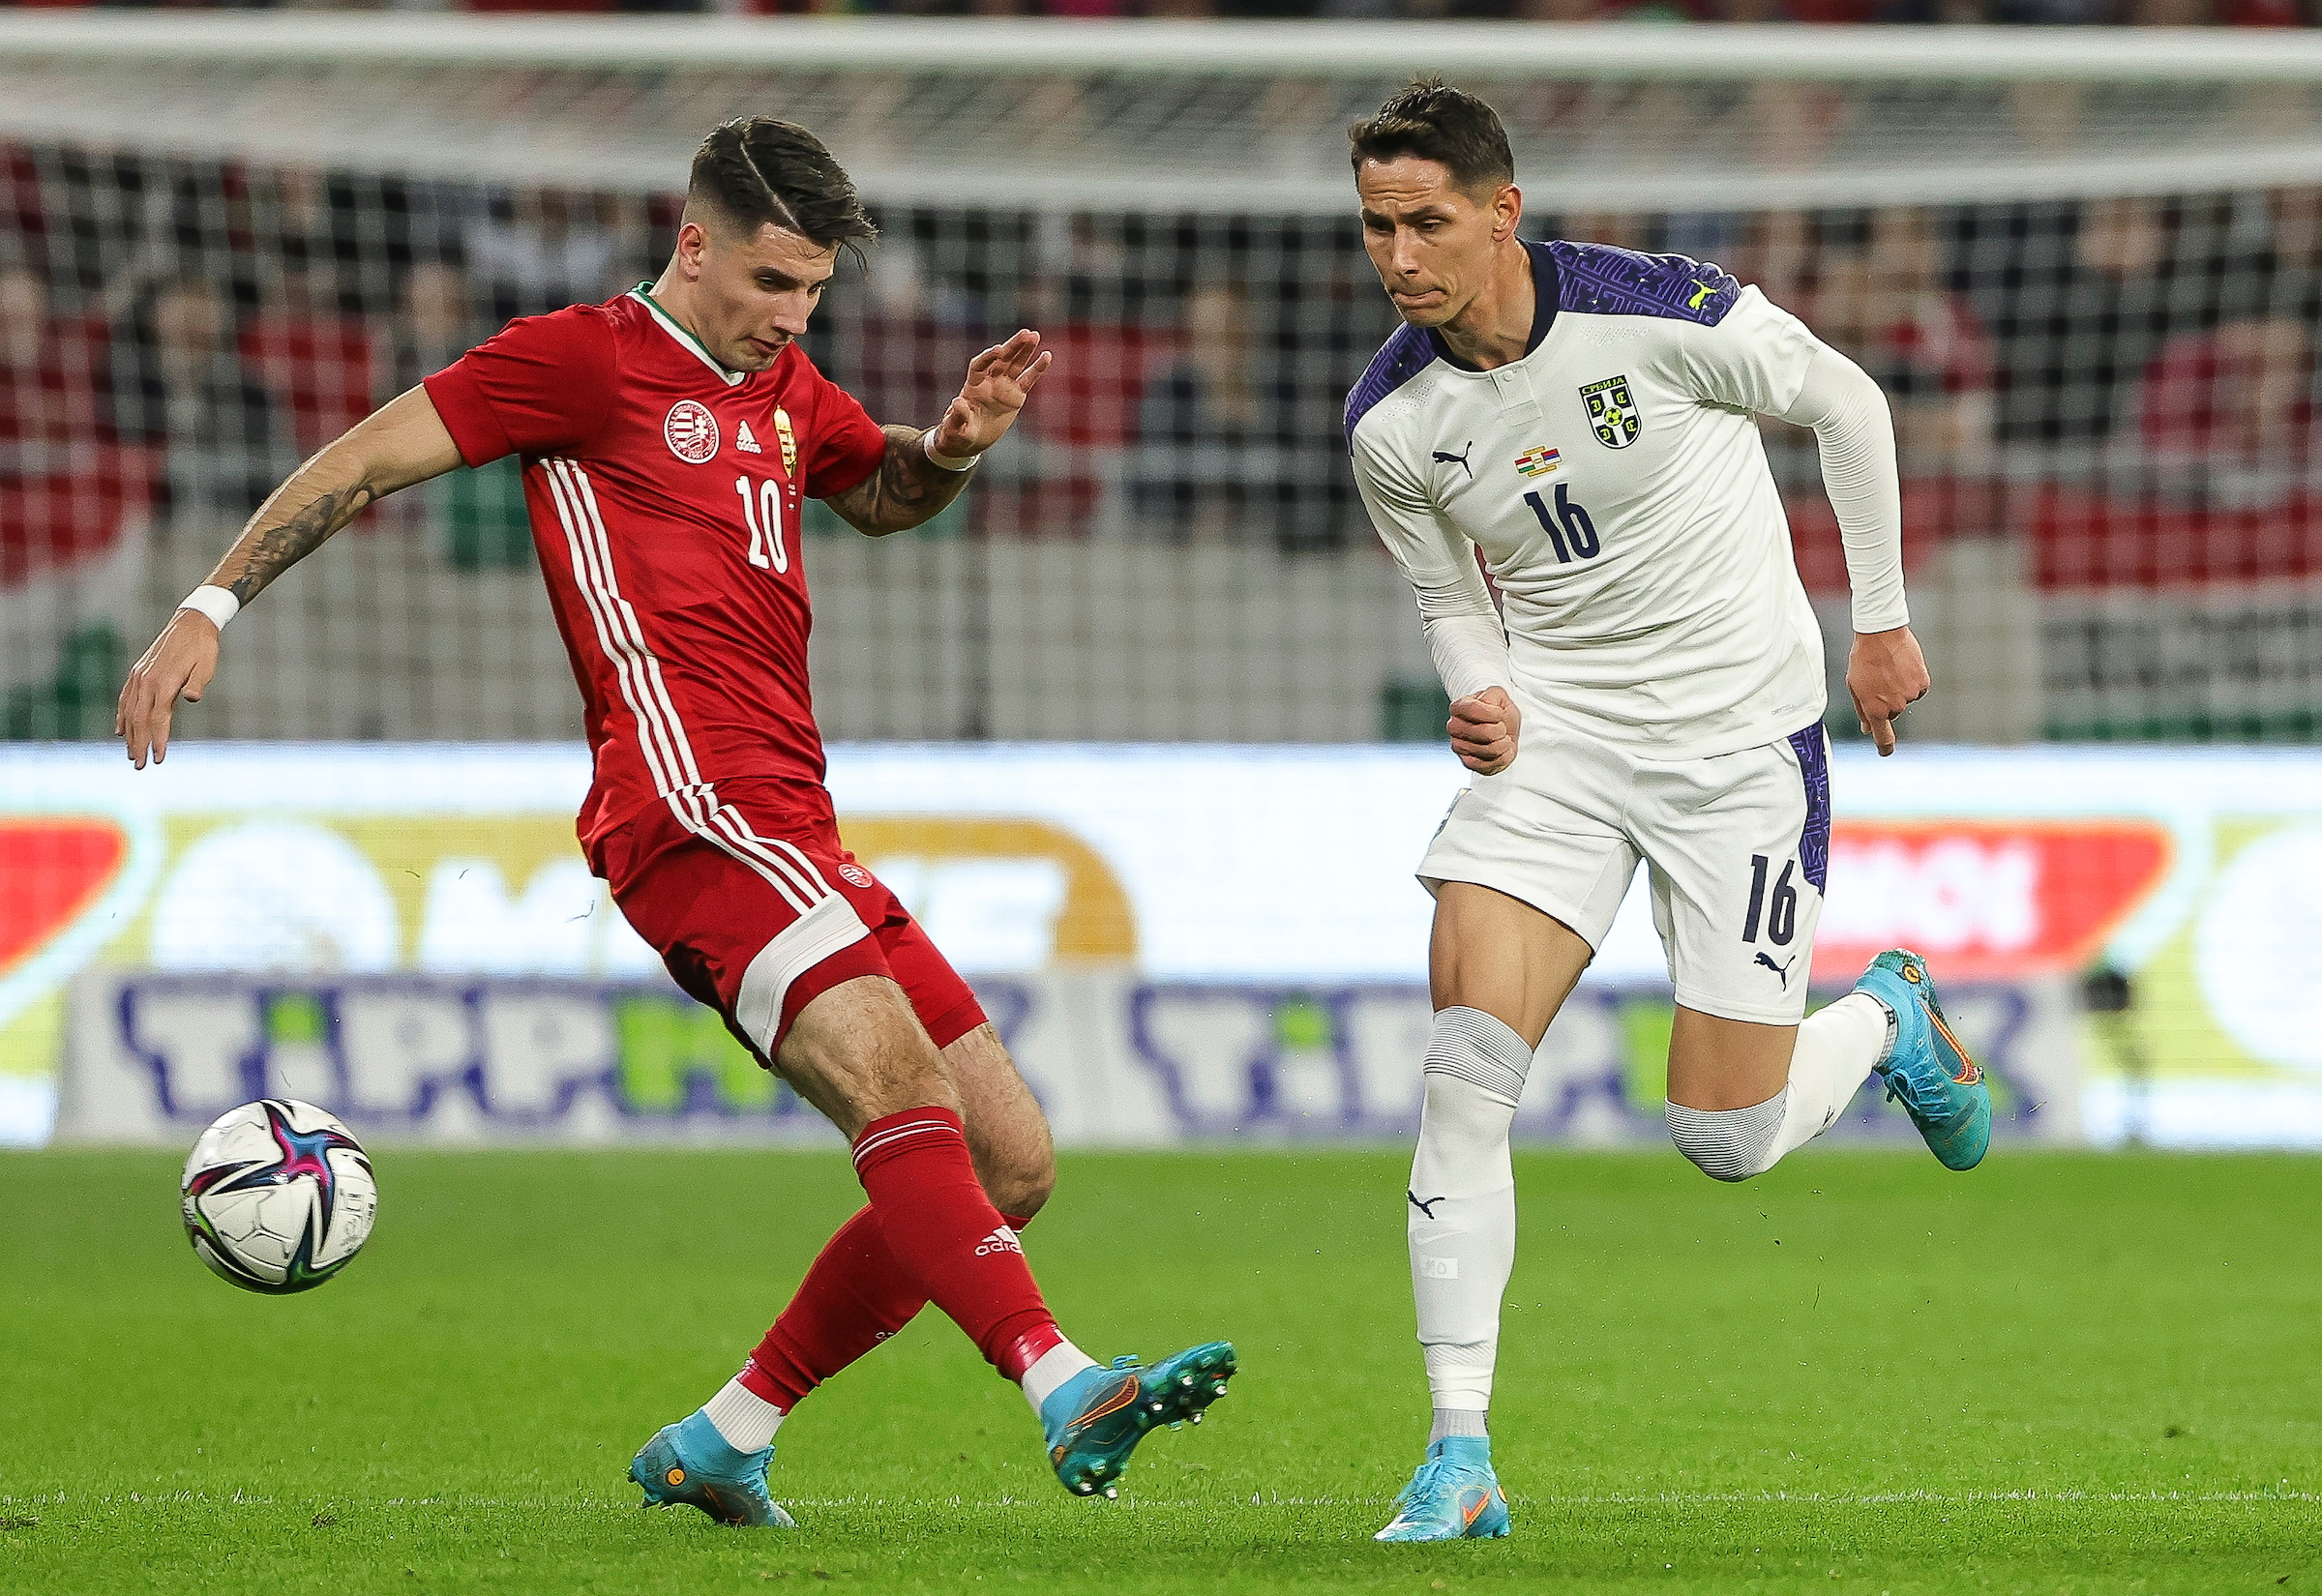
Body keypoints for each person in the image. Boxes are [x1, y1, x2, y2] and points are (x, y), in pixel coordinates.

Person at [116, 116, 1234, 1527]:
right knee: (900, 1087)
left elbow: (882, 495)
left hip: (800, 827)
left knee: (1011, 1161)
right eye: (773, 282)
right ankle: (1065, 1379)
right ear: (691, 243)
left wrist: (951, 446)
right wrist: (206, 608)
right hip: (686, 812)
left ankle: (727, 1434)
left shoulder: (786, 389)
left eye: (814, 290)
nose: (792, 316)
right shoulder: (577, 361)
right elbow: (363, 458)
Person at [1339, 80, 1990, 1545]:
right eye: (1376, 224)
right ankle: (1459, 1450)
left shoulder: (1660, 310)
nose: (1397, 253)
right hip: (1559, 748)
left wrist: (1879, 623)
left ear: (1502, 211)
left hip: (1736, 746)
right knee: (1463, 1067)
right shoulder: (1392, 419)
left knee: (1727, 1136)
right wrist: (1479, 686)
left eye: (1426, 219)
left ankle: (1888, 1016)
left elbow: (1848, 401)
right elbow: (1451, 596)